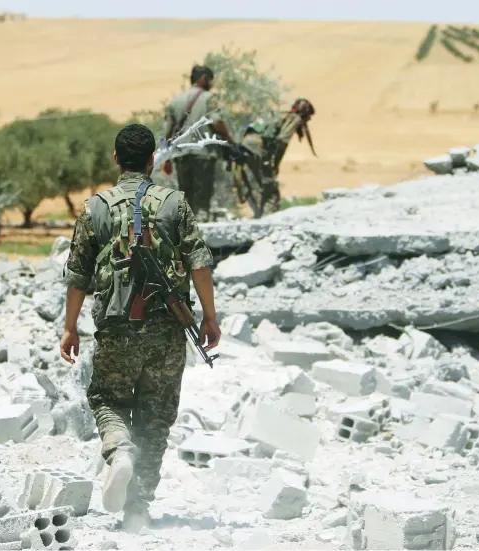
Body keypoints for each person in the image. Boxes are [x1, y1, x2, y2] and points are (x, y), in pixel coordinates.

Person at [60, 123, 222, 532]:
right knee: (155, 417)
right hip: (167, 331)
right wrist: (209, 316)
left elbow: (77, 275)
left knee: (105, 398)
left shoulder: (95, 208)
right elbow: (200, 263)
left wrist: (69, 328)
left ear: (117, 159)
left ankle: (118, 451)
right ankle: (138, 511)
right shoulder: (174, 204)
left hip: (115, 331)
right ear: (153, 160)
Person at [162, 64, 236, 222]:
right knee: (203, 196)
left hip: (181, 154)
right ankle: (201, 229)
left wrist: (166, 158)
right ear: (203, 79)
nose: (211, 84)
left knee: (186, 194)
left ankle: (186, 230)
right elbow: (217, 123)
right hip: (204, 153)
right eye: (210, 80)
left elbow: (167, 132)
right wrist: (230, 141)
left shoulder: (176, 101)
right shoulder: (209, 98)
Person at [240, 98, 317, 215]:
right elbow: (282, 141)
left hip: (245, 145)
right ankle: (268, 218)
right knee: (271, 189)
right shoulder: (294, 118)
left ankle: (258, 213)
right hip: (259, 147)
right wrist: (275, 164)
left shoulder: (278, 115)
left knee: (254, 183)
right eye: (308, 117)